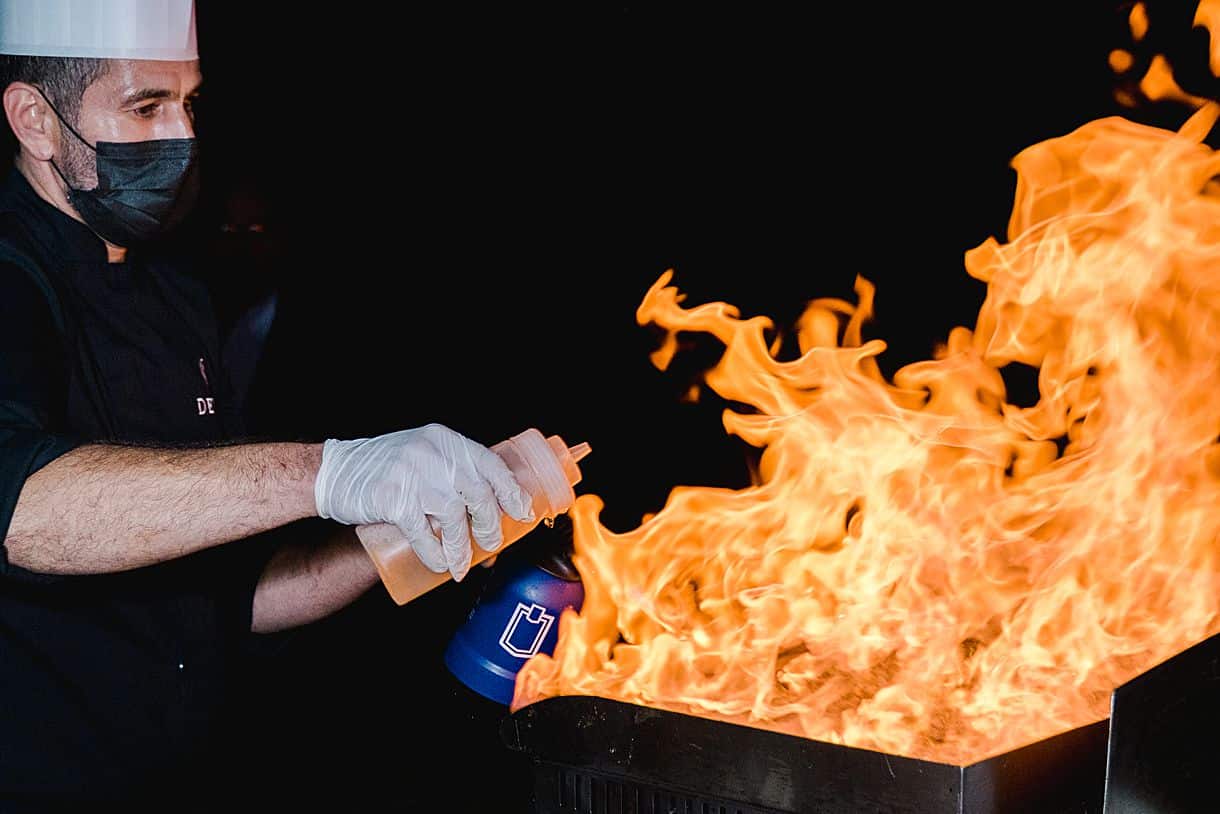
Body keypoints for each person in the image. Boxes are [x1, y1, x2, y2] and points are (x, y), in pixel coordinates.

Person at [0, 1, 535, 806]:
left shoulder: (175, 294)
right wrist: (333, 470)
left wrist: (404, 528)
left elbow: (233, 601)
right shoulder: (11, 275)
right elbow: (21, 514)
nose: (181, 135)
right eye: (147, 106)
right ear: (35, 120)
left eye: (191, 102)